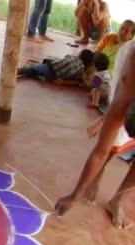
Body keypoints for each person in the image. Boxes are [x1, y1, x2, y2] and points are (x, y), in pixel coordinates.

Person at [55, 40, 135, 229]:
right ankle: (96, 176)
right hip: (126, 90)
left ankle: (116, 200)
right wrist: (75, 196)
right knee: (112, 141)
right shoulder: (126, 93)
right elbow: (100, 151)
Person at [17, 49, 95, 86]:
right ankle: (36, 71)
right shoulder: (82, 70)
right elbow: (78, 81)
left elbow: (66, 58)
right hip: (54, 77)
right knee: (38, 71)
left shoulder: (73, 57)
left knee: (34, 69)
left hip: (51, 67)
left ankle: (20, 70)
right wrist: (63, 82)